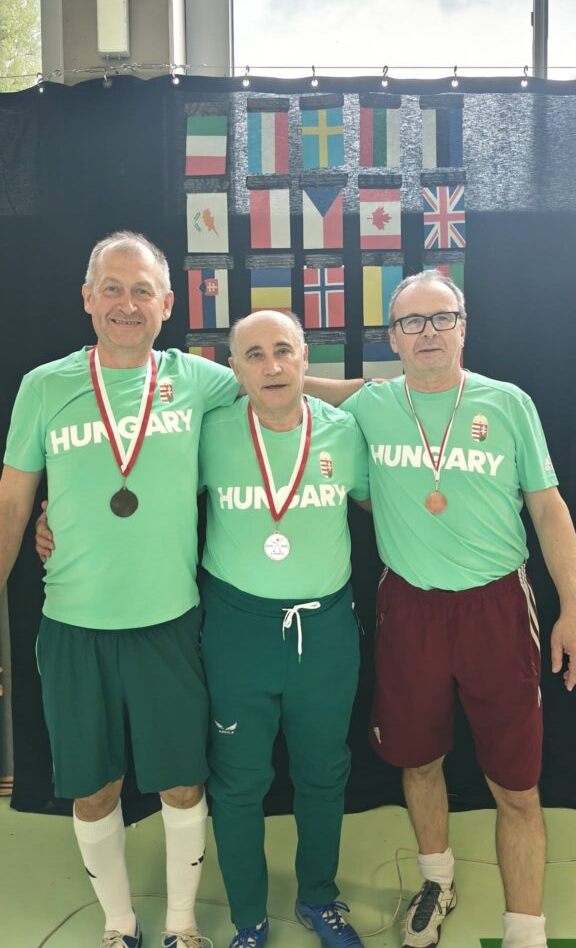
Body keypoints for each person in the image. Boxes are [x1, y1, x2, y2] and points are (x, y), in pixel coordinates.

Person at [0, 231, 241, 948]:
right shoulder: (44, 386)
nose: (126, 304)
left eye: (142, 290)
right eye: (112, 288)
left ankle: (181, 924)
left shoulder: (199, 380)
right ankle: (118, 923)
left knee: (182, 781)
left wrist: (383, 393)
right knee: (92, 787)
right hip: (73, 626)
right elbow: (12, 504)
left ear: (168, 304)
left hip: (168, 623)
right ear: (87, 298)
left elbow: (279, 385)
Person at [342, 270, 576, 948]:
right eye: (412, 322)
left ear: (463, 327)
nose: (429, 332)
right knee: (418, 761)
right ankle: (437, 882)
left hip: (496, 609)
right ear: (392, 338)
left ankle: (525, 928)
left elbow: (548, 509)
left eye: (442, 317)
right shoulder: (371, 405)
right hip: (409, 610)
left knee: (518, 785)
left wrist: (571, 605)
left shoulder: (507, 404)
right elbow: (298, 389)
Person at [197, 310, 370, 948]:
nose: (271, 367)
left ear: (304, 358)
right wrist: (54, 522)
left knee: (324, 772)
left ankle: (318, 898)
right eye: (254, 355)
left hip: (324, 634)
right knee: (239, 781)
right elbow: (149, 498)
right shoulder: (209, 431)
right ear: (234, 369)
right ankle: (248, 917)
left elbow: (392, 503)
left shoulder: (345, 432)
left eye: (282, 351)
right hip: (238, 632)